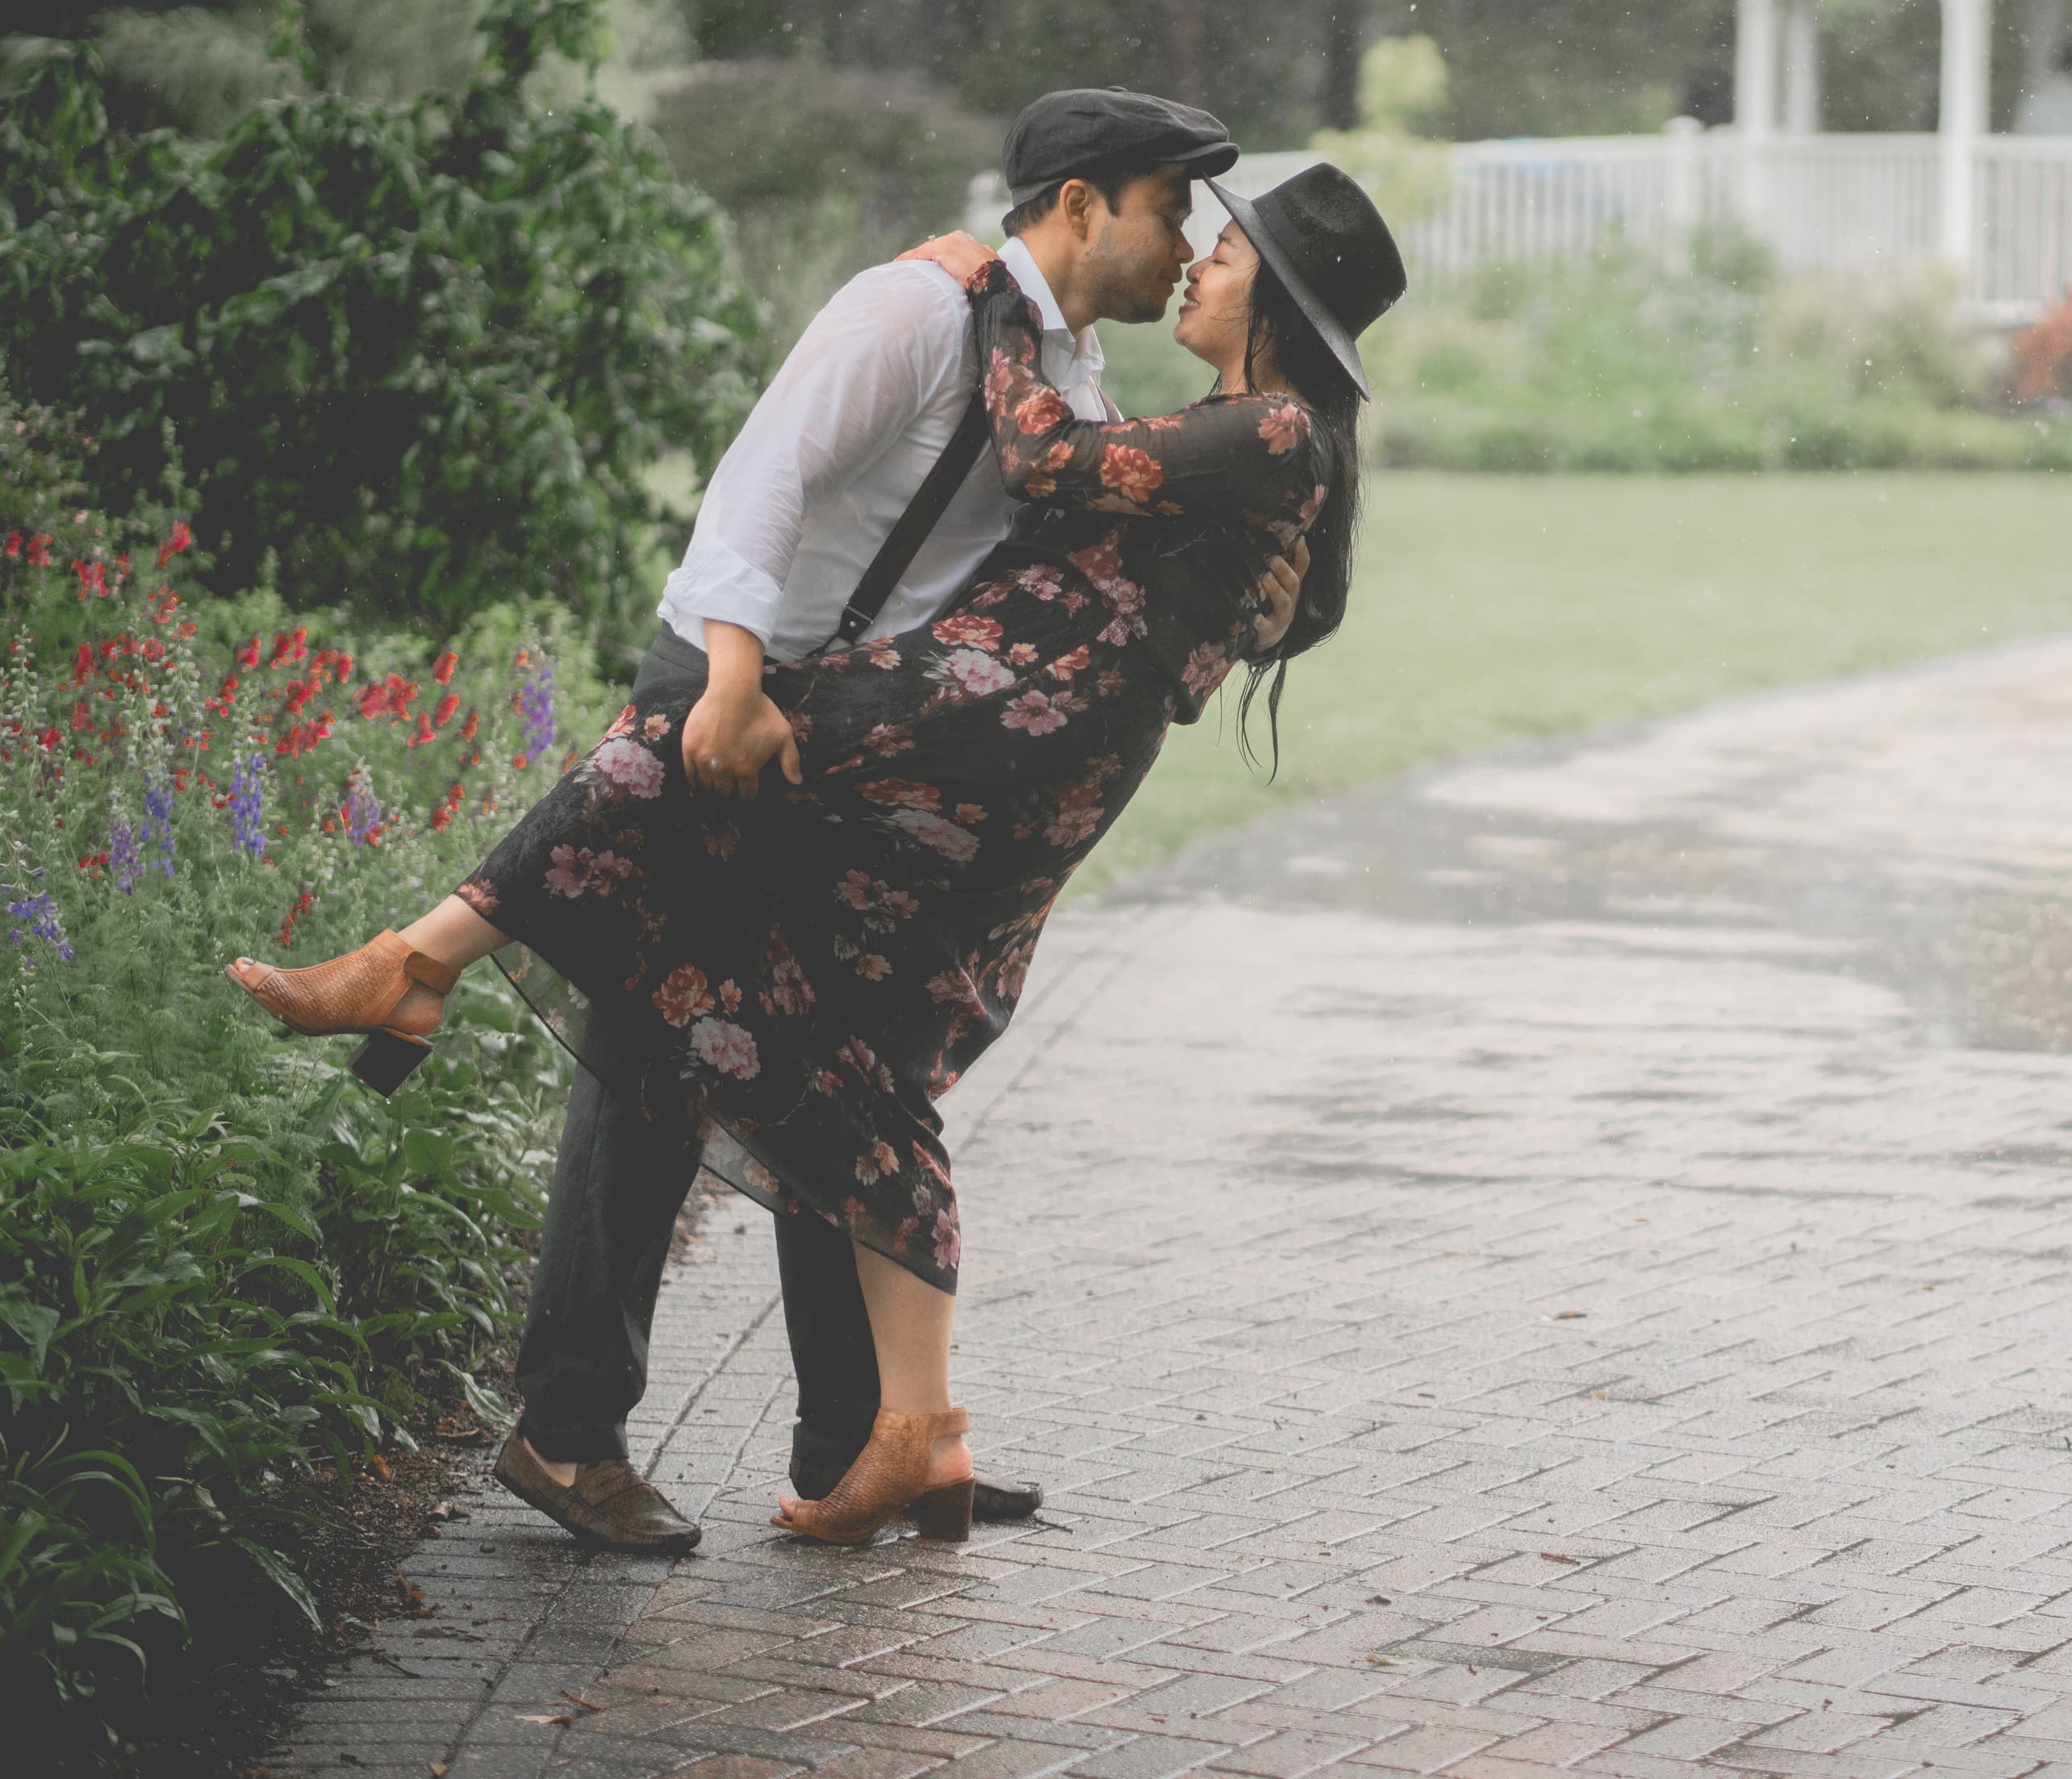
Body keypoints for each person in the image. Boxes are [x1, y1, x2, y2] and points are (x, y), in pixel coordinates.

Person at [229, 155, 1403, 1548]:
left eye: (1224, 244)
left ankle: (415, 967)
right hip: (789, 669)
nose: (1194, 252)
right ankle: (841, 1432)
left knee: (821, 1012)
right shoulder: (920, 315)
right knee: (815, 1018)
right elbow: (767, 480)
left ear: (1278, 297)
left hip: (965, 719)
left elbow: (1081, 492)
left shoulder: (1121, 382)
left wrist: (1006, 328)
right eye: (1180, 217)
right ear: (1082, 205)